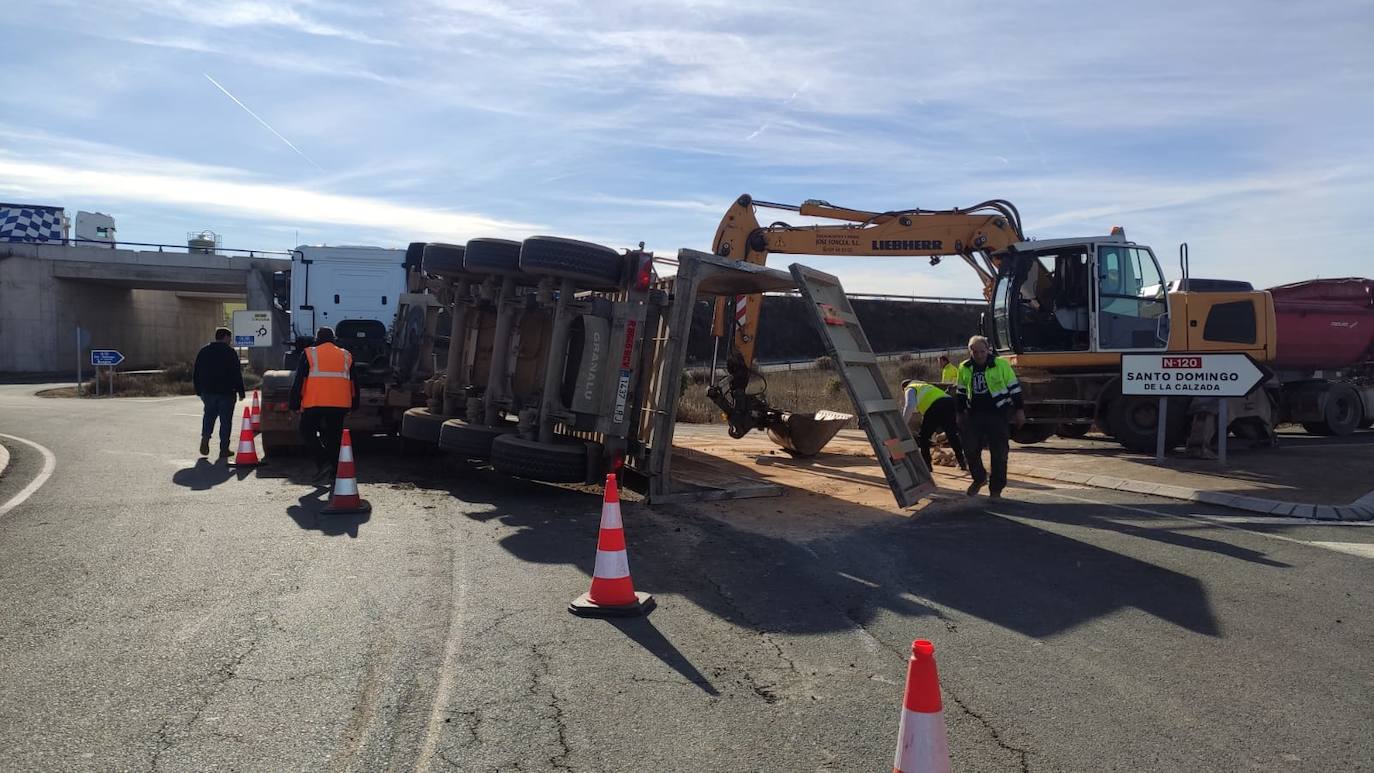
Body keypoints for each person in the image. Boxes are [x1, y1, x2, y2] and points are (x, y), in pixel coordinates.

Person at [953, 335, 1025, 498]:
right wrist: (959, 413)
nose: (979, 355)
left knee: (999, 453)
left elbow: (1014, 388)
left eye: (982, 351)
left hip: (998, 413)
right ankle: (979, 478)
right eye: (975, 352)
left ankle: (996, 489)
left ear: (988, 350)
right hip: (974, 414)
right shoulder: (964, 367)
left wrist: (1019, 410)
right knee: (970, 449)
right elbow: (961, 392)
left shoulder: (1000, 365)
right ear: (970, 351)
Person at [289, 327, 358, 481]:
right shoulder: (346, 355)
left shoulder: (309, 353)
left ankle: (322, 461)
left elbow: (300, 381)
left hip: (315, 402)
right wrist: (354, 404)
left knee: (306, 431)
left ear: (317, 338)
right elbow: (353, 383)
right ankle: (334, 472)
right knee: (334, 438)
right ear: (333, 338)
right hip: (339, 404)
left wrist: (294, 404)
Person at [192, 327, 246, 458]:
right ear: (225, 337)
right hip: (226, 392)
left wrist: (198, 390)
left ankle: (205, 439)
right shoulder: (230, 352)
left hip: (208, 391)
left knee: (209, 416)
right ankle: (224, 449)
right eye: (230, 338)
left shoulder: (204, 351)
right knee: (225, 421)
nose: (231, 340)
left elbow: (196, 372)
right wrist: (241, 391)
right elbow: (236, 373)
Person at [901, 379, 967, 473]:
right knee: (952, 435)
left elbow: (909, 406)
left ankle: (927, 465)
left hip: (935, 406)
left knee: (923, 438)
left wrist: (903, 423)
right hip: (949, 402)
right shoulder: (924, 385)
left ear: (903, 388)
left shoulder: (910, 388)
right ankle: (962, 463)